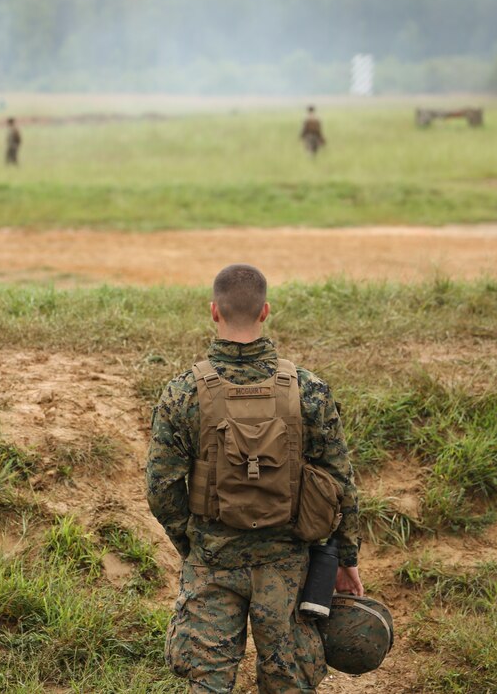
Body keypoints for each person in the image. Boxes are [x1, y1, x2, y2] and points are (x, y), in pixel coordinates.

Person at [146, 264, 363, 693]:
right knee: (289, 680)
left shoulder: (183, 392)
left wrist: (192, 545)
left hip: (213, 559)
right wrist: (345, 558)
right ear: (265, 311)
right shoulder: (308, 389)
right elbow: (342, 483)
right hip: (287, 565)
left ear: (213, 311)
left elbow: (160, 489)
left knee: (206, 683)